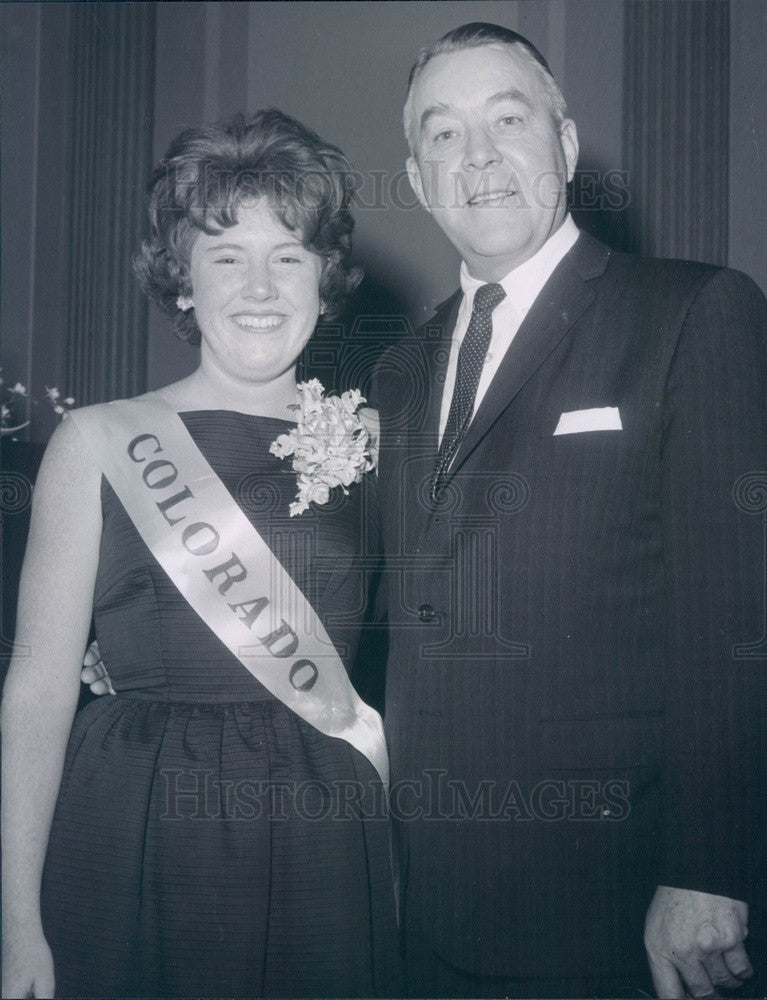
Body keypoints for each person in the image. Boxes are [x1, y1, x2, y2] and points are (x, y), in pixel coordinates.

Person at [371, 21, 767, 999]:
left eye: (507, 119)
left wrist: (706, 867)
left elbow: (732, 617)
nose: (478, 156)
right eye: (442, 133)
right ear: (417, 179)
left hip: (608, 895)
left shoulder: (692, 313)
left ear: (565, 144)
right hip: (409, 893)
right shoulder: (394, 368)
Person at [1, 108, 400, 999]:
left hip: (320, 817)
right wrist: (15, 921)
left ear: (326, 280)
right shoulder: (98, 440)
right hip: (135, 814)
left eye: (288, 256)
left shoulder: (381, 441)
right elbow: (35, 689)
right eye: (226, 256)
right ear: (182, 280)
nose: (259, 286)